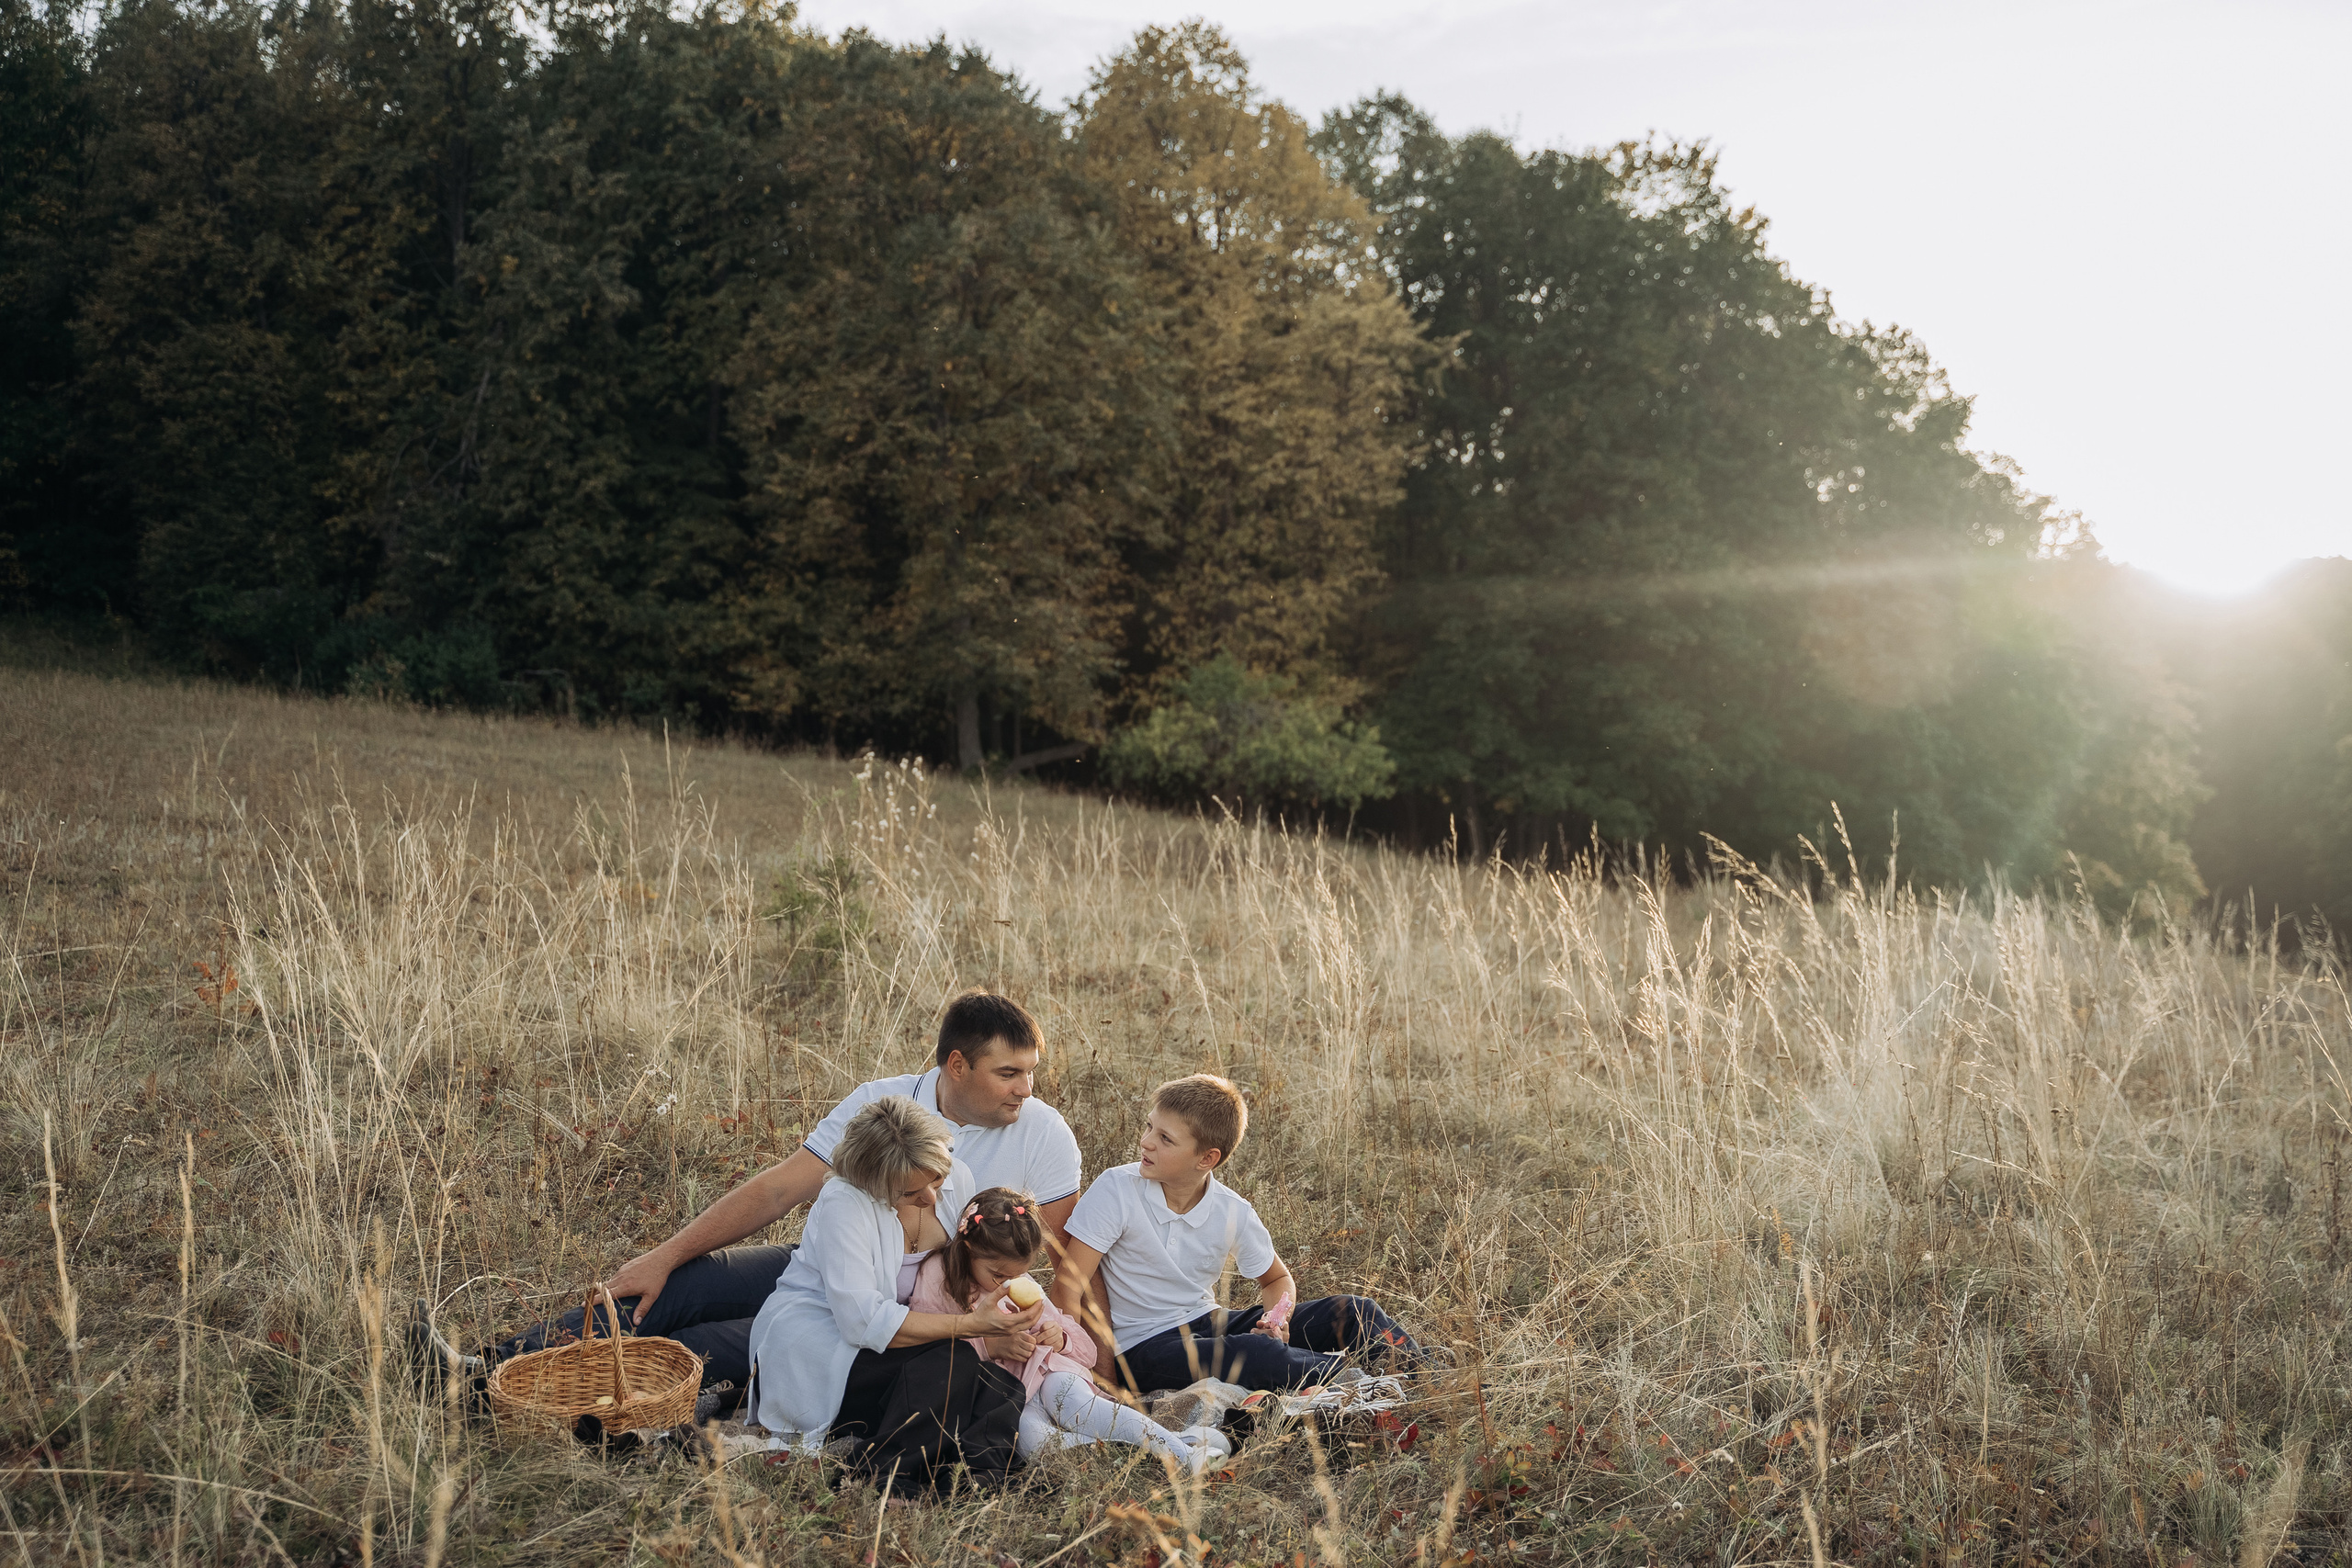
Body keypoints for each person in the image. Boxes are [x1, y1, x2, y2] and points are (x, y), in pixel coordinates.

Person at [450, 990, 1080, 1395]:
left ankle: (533, 1389)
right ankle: (484, 1365)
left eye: (1030, 1072)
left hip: (889, 1308)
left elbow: (1030, 1270)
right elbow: (782, 1188)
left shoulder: (1046, 1135)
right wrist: (664, 1255)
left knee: (719, 1342)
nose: (1026, 1088)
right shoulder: (881, 1104)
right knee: (683, 1285)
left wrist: (1002, 1337)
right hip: (823, 1259)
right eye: (1009, 1072)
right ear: (956, 1066)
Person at [1050, 1074, 1430, 1394]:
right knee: (1254, 1353)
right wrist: (1078, 1364)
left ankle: (1423, 1376)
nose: (1147, 1141)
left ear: (1206, 1158)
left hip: (1208, 1323)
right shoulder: (1117, 1188)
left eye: (1166, 1139)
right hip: (1142, 1349)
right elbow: (1069, 1283)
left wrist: (1277, 1320)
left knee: (1353, 1310)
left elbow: (1277, 1278)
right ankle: (1357, 1386)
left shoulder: (1232, 1211)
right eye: (1150, 1126)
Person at [746, 1096, 1042, 1464]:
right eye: (909, 1192)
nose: (932, 1196)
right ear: (874, 1183)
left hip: (910, 1336)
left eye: (937, 1178)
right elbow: (862, 1323)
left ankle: (983, 1476)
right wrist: (971, 1326)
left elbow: (980, 1263)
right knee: (954, 1365)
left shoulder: (958, 1177)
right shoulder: (845, 1202)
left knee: (1001, 1389)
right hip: (824, 1345)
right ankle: (888, 1470)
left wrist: (1020, 1322)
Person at [909, 1187, 1230, 1472]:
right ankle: (1177, 1443)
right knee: (1033, 1443)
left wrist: (1060, 1338)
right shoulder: (939, 1281)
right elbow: (927, 1351)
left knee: (1075, 1405)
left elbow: (1086, 1350)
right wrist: (990, 1348)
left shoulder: (1019, 1283)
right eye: (997, 1274)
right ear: (967, 1251)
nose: (1006, 1283)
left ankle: (1184, 1458)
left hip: (1049, 1373)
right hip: (1005, 1396)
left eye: (1017, 1274)